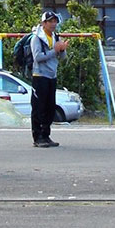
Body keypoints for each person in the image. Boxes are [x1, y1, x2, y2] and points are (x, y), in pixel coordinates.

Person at [31, 11, 69, 148]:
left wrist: (62, 49)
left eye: (55, 21)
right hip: (40, 76)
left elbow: (63, 58)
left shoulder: (55, 37)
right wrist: (55, 51)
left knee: (50, 108)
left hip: (52, 75)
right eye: (50, 21)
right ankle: (37, 137)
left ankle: (46, 135)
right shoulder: (37, 38)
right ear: (43, 23)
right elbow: (38, 57)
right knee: (38, 108)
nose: (53, 24)